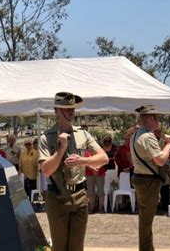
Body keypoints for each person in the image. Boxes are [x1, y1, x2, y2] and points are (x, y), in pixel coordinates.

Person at [39, 92, 108, 251]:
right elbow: (46, 170)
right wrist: (61, 148)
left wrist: (83, 161)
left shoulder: (82, 134)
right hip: (57, 197)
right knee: (60, 247)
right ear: (57, 111)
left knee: (77, 247)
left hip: (79, 195)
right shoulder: (46, 137)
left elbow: (103, 158)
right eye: (66, 108)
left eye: (73, 108)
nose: (71, 111)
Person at [130, 105, 170, 251]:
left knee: (145, 219)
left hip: (141, 178)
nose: (158, 121)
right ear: (149, 118)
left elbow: (150, 156)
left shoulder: (136, 134)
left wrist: (165, 150)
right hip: (148, 181)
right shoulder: (147, 136)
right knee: (146, 220)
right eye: (156, 117)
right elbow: (160, 160)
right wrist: (169, 145)